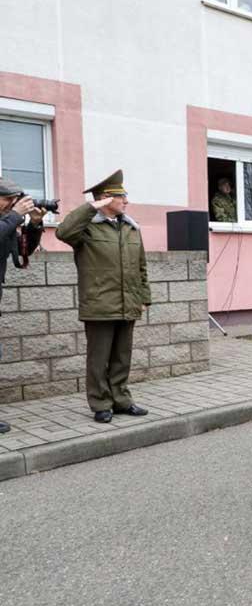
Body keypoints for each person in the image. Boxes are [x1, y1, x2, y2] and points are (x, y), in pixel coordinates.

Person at [55, 170, 151, 423]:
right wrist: (91, 207)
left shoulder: (131, 229)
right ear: (106, 198)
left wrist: (143, 298)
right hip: (100, 304)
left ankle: (121, 400)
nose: (127, 201)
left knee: (122, 357)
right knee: (99, 359)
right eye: (122, 196)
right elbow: (63, 232)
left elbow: (141, 266)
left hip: (127, 302)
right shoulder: (87, 229)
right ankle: (100, 403)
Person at [0, 178, 47, 434]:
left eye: (14, 199)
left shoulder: (7, 221)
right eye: (7, 198)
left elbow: (22, 251)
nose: (11, 204)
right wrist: (15, 216)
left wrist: (35, 223)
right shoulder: (8, 220)